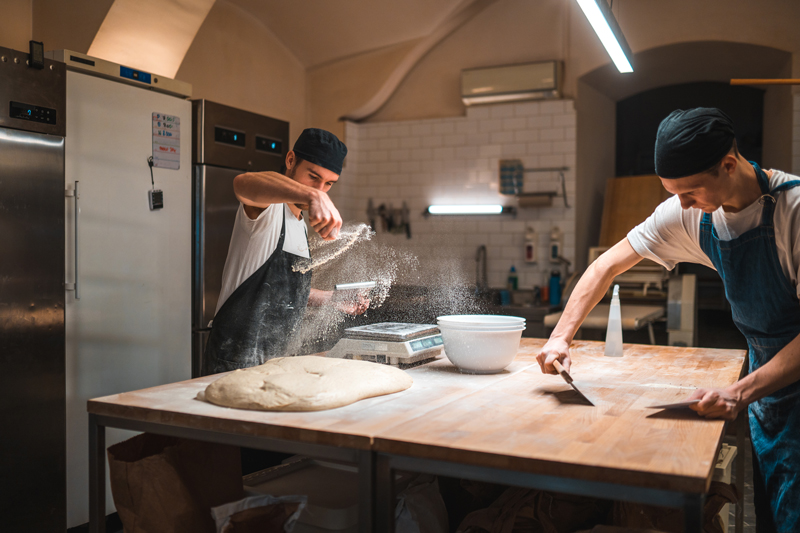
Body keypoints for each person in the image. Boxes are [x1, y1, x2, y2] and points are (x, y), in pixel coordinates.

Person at [537, 108, 800, 532]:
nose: (682, 206)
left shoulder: (793, 212)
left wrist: (739, 391)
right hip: (768, 394)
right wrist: (560, 338)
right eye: (674, 194)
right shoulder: (691, 212)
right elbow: (607, 265)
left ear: (728, 166)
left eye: (690, 193)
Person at [203, 128, 368, 376]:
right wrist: (312, 195)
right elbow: (242, 184)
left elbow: (280, 288)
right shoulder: (266, 210)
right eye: (313, 177)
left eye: (328, 184)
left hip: (275, 362)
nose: (321, 189)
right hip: (235, 361)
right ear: (290, 160)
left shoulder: (300, 225)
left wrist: (331, 299)